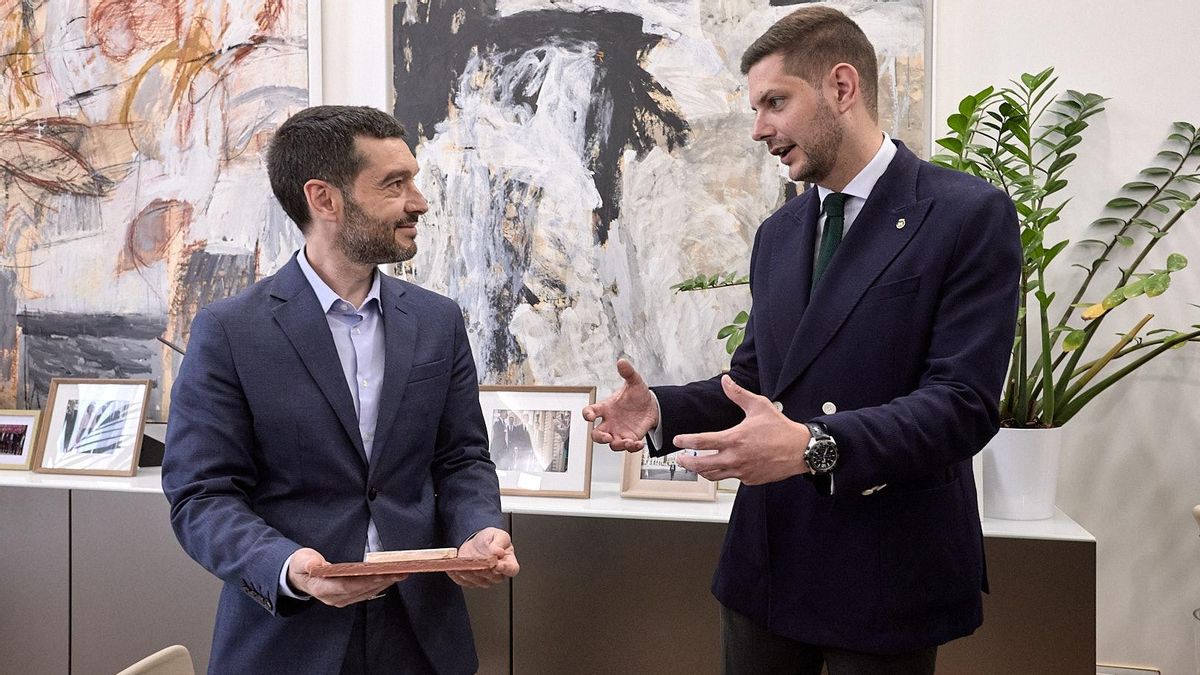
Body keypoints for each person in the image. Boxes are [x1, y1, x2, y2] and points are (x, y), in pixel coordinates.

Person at [584, 7, 1020, 674]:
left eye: (775, 103)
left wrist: (816, 446)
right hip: (765, 569)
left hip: (886, 576)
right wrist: (661, 410)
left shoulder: (967, 214)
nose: (758, 129)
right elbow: (758, 383)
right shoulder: (779, 233)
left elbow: (963, 404)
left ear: (842, 88)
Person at [163, 105, 519, 675]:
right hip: (287, 640)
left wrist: (478, 529)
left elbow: (461, 459)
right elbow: (201, 495)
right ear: (324, 199)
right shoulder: (230, 331)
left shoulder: (438, 321)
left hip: (423, 640)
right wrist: (288, 565)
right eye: (394, 185)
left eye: (414, 180)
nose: (418, 202)